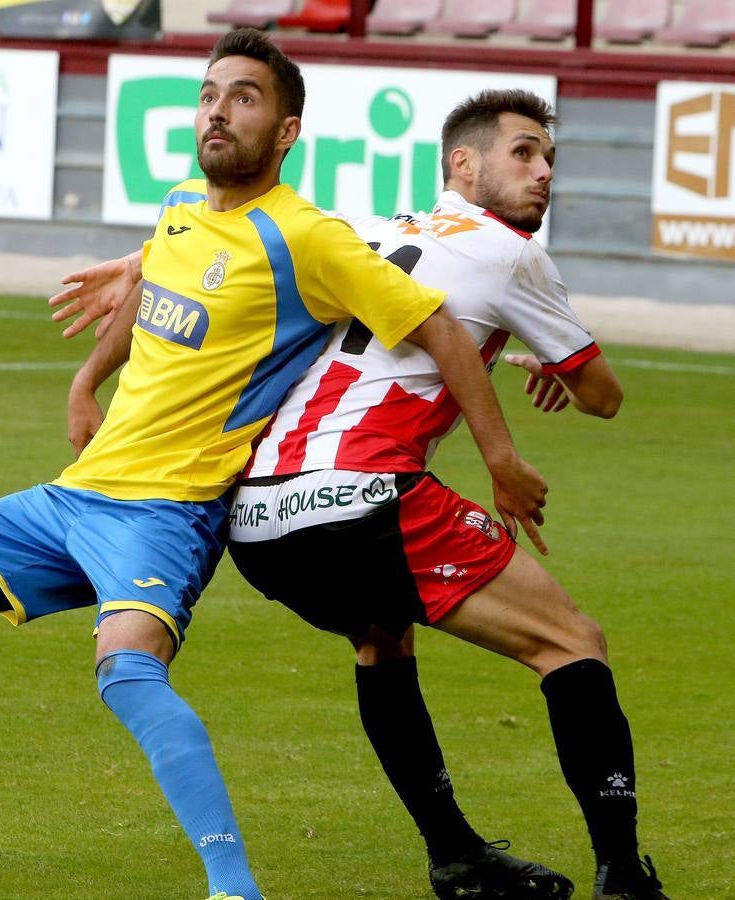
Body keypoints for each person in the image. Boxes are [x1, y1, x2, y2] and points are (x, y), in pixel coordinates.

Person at [0, 30, 549, 900]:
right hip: (79, 496)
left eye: (243, 97)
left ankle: (232, 887)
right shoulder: (183, 201)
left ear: (285, 131)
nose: (218, 110)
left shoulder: (309, 239)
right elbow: (157, 280)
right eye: (210, 94)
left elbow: (436, 323)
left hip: (166, 512)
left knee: (129, 672)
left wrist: (500, 455)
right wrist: (86, 379)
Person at [51, 89, 670, 900]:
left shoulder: (370, 228)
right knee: (571, 643)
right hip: (365, 495)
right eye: (521, 153)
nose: (541, 172)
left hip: (259, 518)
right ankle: (623, 876)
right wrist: (553, 372)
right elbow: (603, 395)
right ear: (462, 164)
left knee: (382, 642)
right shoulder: (511, 254)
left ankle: (457, 858)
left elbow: (231, 241)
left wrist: (139, 262)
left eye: (547, 158)